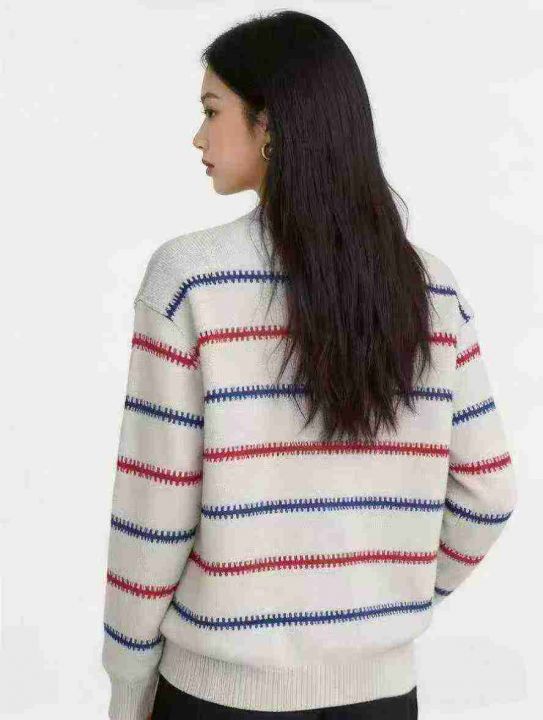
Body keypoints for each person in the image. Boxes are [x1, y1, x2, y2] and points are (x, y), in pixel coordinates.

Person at [101, 10, 516, 720]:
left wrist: (129, 682)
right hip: (381, 698)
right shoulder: (430, 289)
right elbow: (487, 491)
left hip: (216, 696)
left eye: (212, 111)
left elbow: (155, 510)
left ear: (270, 124)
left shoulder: (190, 280)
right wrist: (385, 608)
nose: (198, 137)